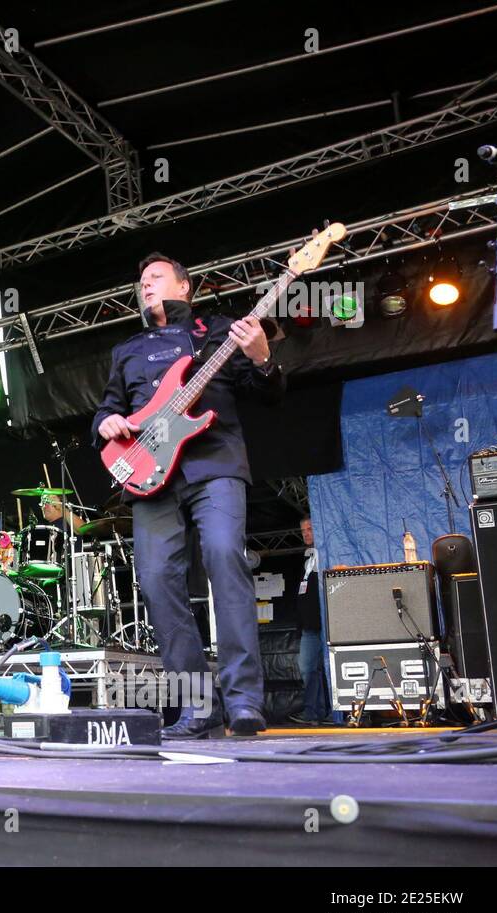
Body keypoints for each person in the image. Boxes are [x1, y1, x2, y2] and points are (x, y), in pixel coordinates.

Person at [92, 253, 284, 738]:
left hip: (213, 462)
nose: (145, 286)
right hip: (150, 476)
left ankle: (244, 701)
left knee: (225, 558)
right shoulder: (127, 349)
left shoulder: (218, 331)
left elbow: (267, 393)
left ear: (185, 286)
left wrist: (261, 356)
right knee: (156, 581)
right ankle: (198, 705)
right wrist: (106, 423)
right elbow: (109, 411)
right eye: (141, 282)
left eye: (155, 278)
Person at [291, 514, 332, 725]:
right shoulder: (308, 560)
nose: (306, 534)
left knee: (318, 669)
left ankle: (319, 712)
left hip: (324, 624)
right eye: (303, 531)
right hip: (309, 627)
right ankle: (315, 713)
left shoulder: (326, 556)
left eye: (310, 529)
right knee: (310, 669)